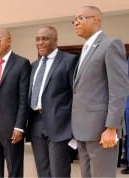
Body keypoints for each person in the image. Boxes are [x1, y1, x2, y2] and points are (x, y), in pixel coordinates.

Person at [72, 6, 129, 177]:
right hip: (82, 130)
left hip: (101, 130)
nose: (76, 23)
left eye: (80, 18)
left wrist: (111, 127)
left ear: (96, 19)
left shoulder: (111, 44)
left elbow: (118, 88)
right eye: (74, 20)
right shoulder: (85, 48)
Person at [26, 26, 78, 178]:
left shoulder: (69, 61)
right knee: (43, 171)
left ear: (55, 40)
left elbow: (76, 94)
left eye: (45, 38)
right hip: (36, 123)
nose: (40, 42)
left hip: (60, 125)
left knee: (59, 172)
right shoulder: (34, 65)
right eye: (37, 39)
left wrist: (73, 128)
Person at [0, 29, 31, 177]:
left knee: (14, 167)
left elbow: (24, 98)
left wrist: (19, 126)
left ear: (9, 41)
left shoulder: (22, 63)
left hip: (11, 124)